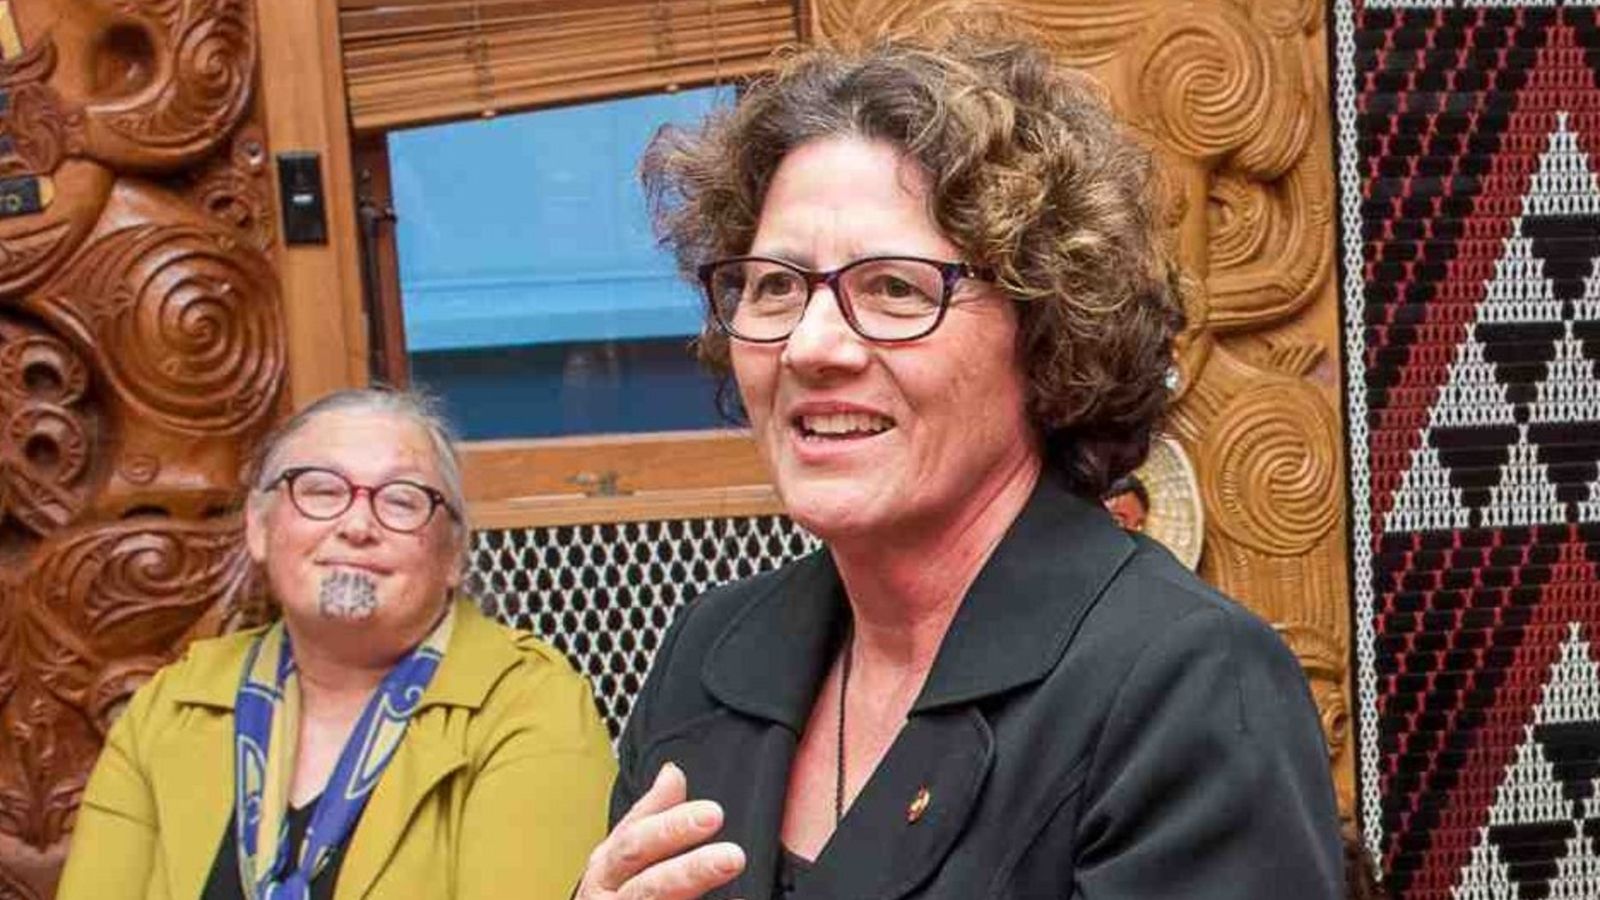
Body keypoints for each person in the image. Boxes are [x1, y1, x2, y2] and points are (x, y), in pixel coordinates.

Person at [575, 17, 1344, 900]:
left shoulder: (1187, 685)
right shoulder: (712, 647)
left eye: (895, 288)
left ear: (1047, 333)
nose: (811, 346)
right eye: (775, 286)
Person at [59, 388, 615, 900]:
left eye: (400, 500)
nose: (356, 524)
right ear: (259, 526)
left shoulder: (529, 705)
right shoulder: (173, 705)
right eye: (321, 490)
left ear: (453, 554)